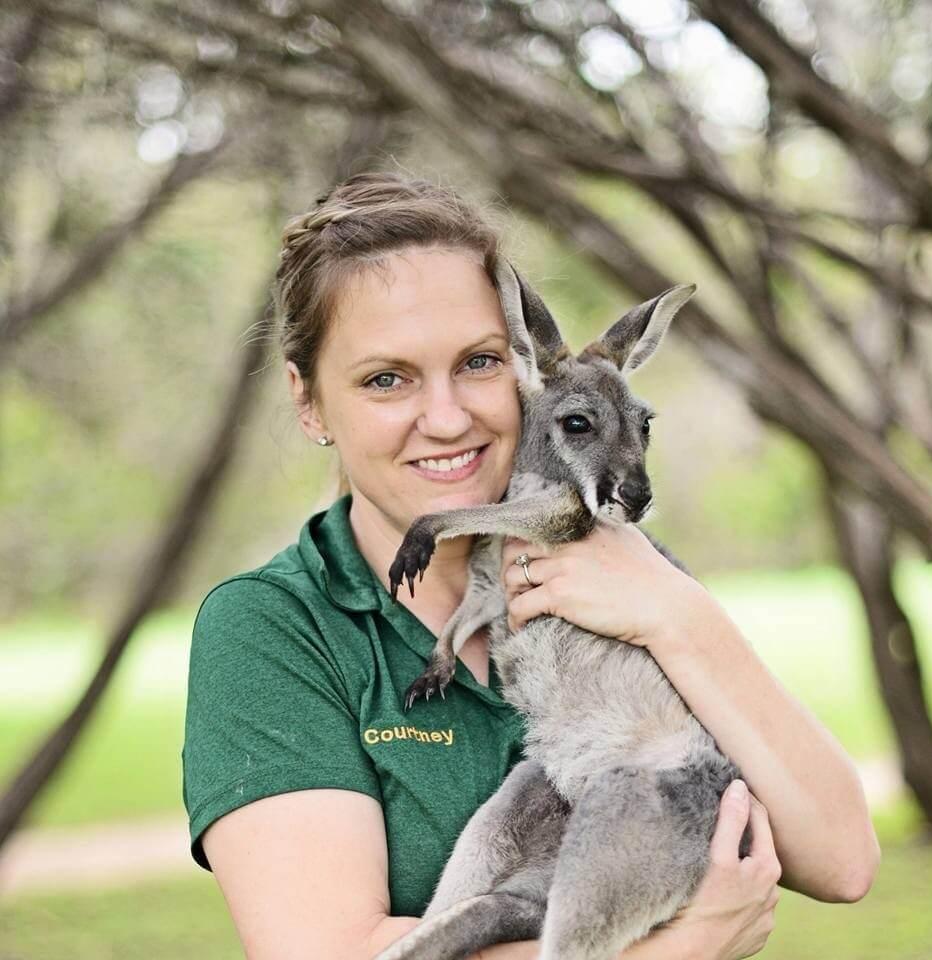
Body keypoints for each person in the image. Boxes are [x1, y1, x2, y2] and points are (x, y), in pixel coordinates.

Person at [181, 173, 880, 960]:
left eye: (480, 364)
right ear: (309, 403)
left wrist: (679, 615)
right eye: (386, 379)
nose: (447, 419)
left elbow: (843, 860)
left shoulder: (624, 576)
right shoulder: (276, 629)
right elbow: (329, 950)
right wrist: (685, 947)